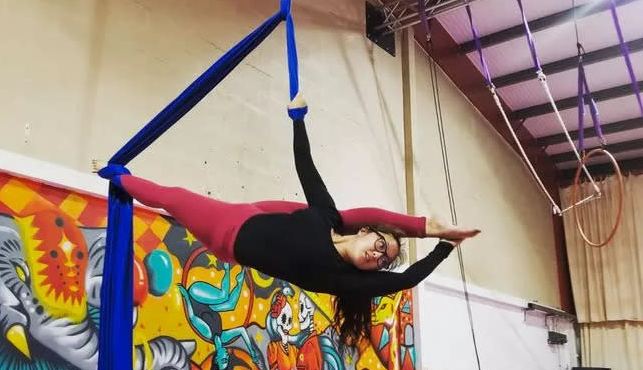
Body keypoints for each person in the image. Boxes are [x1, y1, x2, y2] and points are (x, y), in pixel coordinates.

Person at [102, 94, 479, 348]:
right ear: (365, 233)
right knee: (172, 198)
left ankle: (126, 184)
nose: (377, 256)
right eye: (381, 245)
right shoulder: (328, 216)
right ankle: (115, 175)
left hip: (230, 248)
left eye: (383, 260)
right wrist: (298, 120)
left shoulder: (340, 280)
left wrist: (445, 246)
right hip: (230, 222)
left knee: (175, 207)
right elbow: (307, 168)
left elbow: (407, 278)